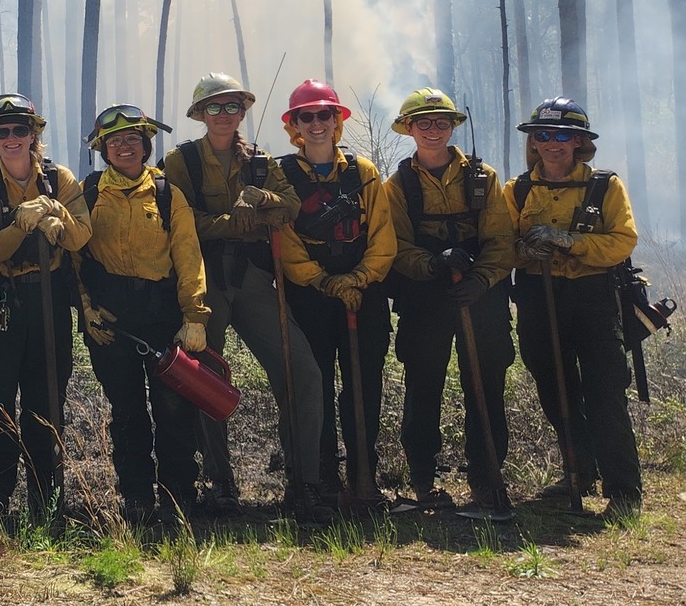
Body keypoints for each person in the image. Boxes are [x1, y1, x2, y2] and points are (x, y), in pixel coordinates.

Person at [159, 72, 326, 517]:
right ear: (199, 115)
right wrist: (230, 224)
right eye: (214, 107)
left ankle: (304, 484)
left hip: (253, 278)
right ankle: (220, 484)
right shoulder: (180, 163)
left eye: (232, 107)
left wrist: (265, 197)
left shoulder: (259, 161)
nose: (224, 115)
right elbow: (176, 219)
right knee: (204, 380)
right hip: (204, 279)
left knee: (302, 371)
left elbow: (290, 206)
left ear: (243, 112)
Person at [505, 97, 642, 518]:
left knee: (605, 392)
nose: (552, 144)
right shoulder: (518, 190)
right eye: (542, 135)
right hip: (538, 298)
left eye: (562, 135)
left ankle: (623, 490)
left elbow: (623, 241)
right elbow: (501, 246)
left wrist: (570, 242)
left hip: (594, 298)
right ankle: (578, 471)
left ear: (580, 141)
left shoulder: (605, 186)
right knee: (555, 388)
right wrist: (525, 251)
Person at [384, 89, 517, 517]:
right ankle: (424, 479)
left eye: (441, 122)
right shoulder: (397, 186)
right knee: (424, 385)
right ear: (408, 129)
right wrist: (430, 264)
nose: (433, 130)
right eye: (423, 123)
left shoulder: (483, 178)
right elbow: (395, 246)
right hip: (425, 296)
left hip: (480, 295)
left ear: (453, 126)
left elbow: (501, 239)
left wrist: (481, 280)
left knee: (487, 383)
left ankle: (487, 480)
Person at [76, 104, 209, 524]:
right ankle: (136, 499)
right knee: (127, 412)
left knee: (174, 409)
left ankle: (178, 498)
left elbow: (188, 257)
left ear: (146, 144)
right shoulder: (89, 193)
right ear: (103, 149)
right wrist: (85, 308)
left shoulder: (169, 194)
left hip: (163, 318)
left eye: (132, 138)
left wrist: (195, 317)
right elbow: (73, 257)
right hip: (111, 323)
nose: (124, 146)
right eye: (115, 141)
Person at [0, 94, 91, 518]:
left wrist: (55, 212)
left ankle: (46, 503)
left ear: (34, 133)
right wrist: (25, 220)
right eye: (3, 131)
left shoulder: (61, 179)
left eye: (20, 129)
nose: (12, 138)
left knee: (46, 403)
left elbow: (80, 237)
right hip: (0, 305)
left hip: (49, 301)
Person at [274, 80, 395, 508]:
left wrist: (359, 279)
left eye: (325, 114)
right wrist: (324, 282)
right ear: (294, 126)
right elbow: (285, 243)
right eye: (306, 116)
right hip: (310, 296)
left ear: (337, 120)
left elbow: (383, 235)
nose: (317, 123)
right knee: (316, 388)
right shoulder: (281, 174)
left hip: (364, 295)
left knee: (364, 388)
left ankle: (366, 479)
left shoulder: (363, 173)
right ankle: (322, 478)